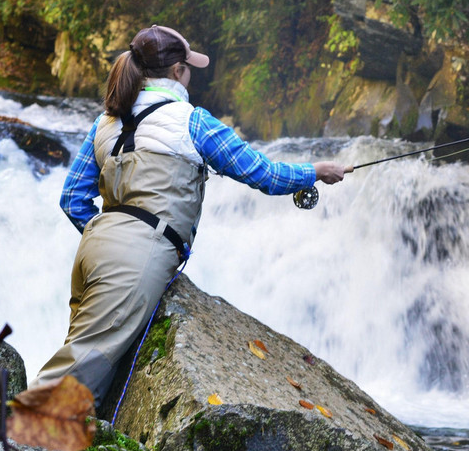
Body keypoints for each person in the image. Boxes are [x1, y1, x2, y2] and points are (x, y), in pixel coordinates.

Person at [30, 24, 350, 407]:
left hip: (92, 250)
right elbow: (263, 173)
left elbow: (72, 199)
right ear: (177, 70)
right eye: (189, 68)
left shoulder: (105, 122)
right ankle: (7, 437)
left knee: (89, 367)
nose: (191, 75)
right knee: (79, 369)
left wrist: (109, 236)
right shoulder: (191, 121)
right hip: (136, 257)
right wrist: (315, 171)